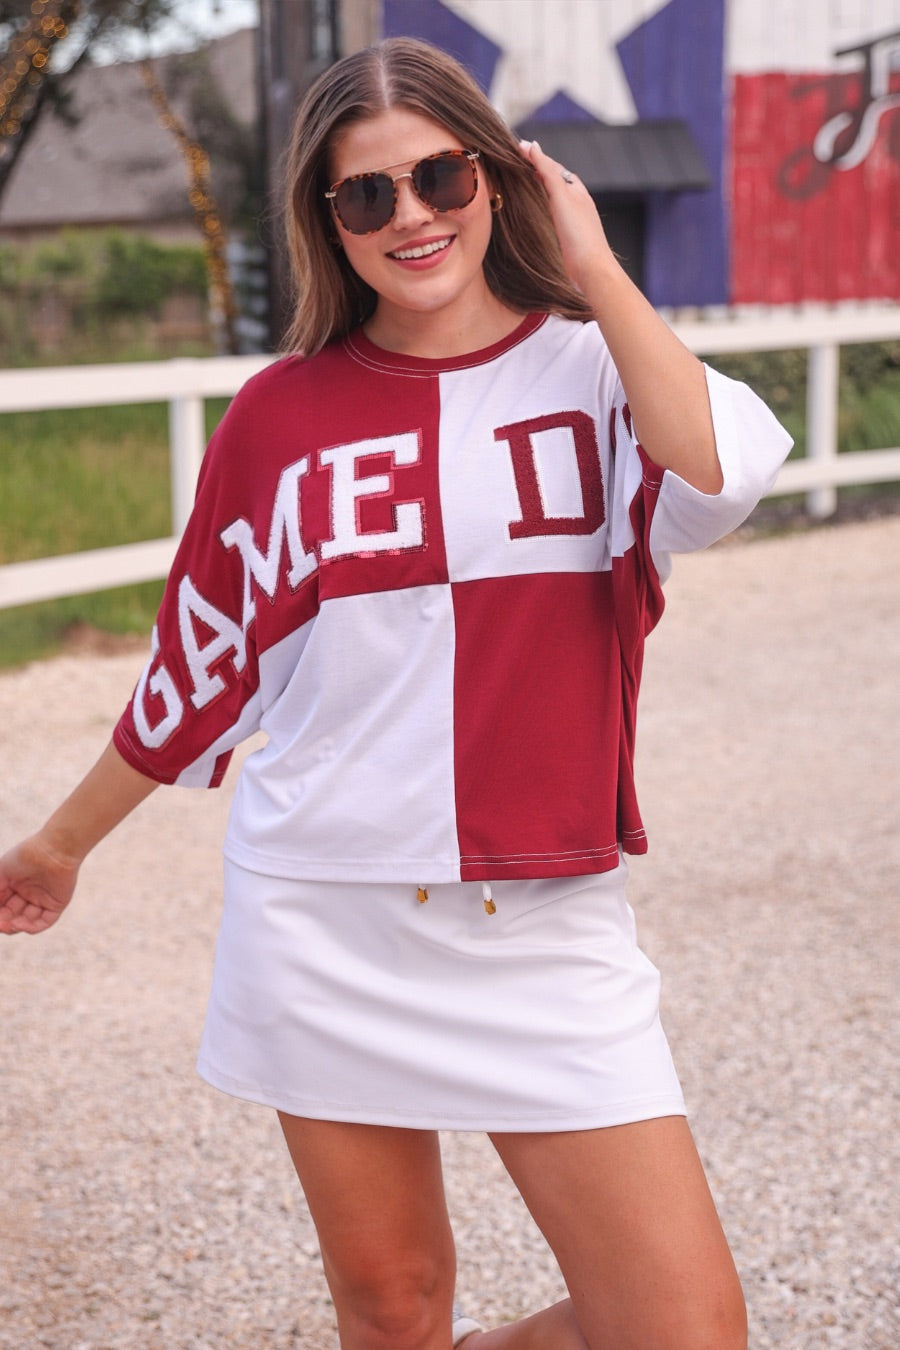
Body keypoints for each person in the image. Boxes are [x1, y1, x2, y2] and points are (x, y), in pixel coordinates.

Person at [0, 36, 792, 1350]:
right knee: (393, 1303)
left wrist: (593, 265)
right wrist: (59, 842)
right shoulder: (279, 416)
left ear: (496, 179)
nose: (411, 215)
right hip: (323, 909)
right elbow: (201, 670)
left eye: (439, 177)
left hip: (542, 916)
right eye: (368, 194)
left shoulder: (600, 372)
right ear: (330, 220)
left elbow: (720, 476)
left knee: (682, 1325)